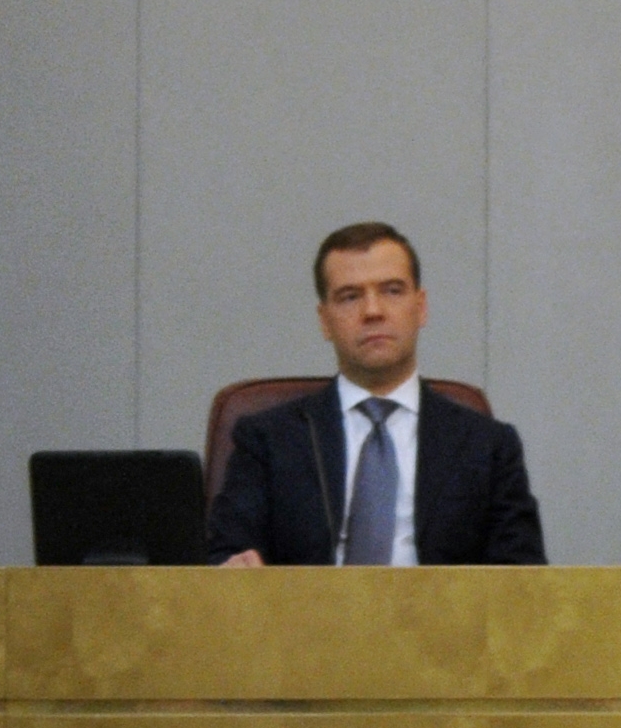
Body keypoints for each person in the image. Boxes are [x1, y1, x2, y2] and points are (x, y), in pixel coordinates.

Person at [208, 221, 547, 566]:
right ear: (325, 320)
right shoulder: (268, 440)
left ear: (421, 307)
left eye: (392, 291)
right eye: (350, 296)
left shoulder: (487, 447)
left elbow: (523, 580)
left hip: (442, 618)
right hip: (306, 617)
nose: (373, 311)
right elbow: (224, 557)